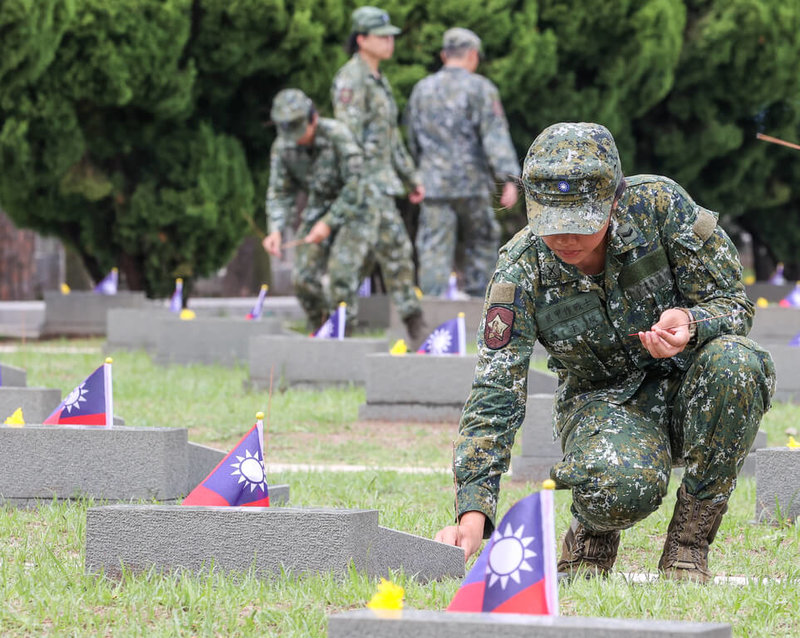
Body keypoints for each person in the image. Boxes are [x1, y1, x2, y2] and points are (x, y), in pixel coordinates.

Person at [435, 122, 776, 584]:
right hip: (603, 405)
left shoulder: (660, 206)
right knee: (623, 486)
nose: (567, 239)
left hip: (690, 388)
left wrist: (693, 324)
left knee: (740, 362)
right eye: (554, 225)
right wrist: (473, 512)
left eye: (582, 223)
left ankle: (689, 545)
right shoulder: (520, 271)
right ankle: (592, 532)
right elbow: (495, 393)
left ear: (614, 202)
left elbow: (734, 304)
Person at [328, 5, 427, 343]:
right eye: (382, 36)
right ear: (361, 39)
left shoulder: (378, 80)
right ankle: (341, 328)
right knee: (349, 261)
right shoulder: (351, 79)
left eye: (390, 36)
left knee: (399, 255)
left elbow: (391, 137)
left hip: (382, 185)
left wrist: (411, 178)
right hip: (362, 186)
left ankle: (416, 327)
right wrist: (355, 183)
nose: (389, 42)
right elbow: (346, 137)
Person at [405, 27, 520, 298]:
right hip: (472, 184)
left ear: (445, 55)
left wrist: (414, 177)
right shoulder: (481, 88)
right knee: (481, 240)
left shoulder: (422, 89)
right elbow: (495, 136)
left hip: (434, 185)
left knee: (433, 246)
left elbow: (412, 137)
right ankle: (480, 309)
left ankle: (432, 310)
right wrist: (509, 179)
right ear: (472, 55)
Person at [263, 88, 363, 330]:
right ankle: (320, 328)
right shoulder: (283, 146)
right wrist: (276, 228)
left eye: (299, 130)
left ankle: (343, 333)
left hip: (355, 211)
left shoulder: (338, 136)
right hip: (318, 209)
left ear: (314, 118)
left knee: (340, 275)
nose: (296, 139)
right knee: (302, 278)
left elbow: (356, 186)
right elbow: (280, 192)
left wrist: (329, 222)